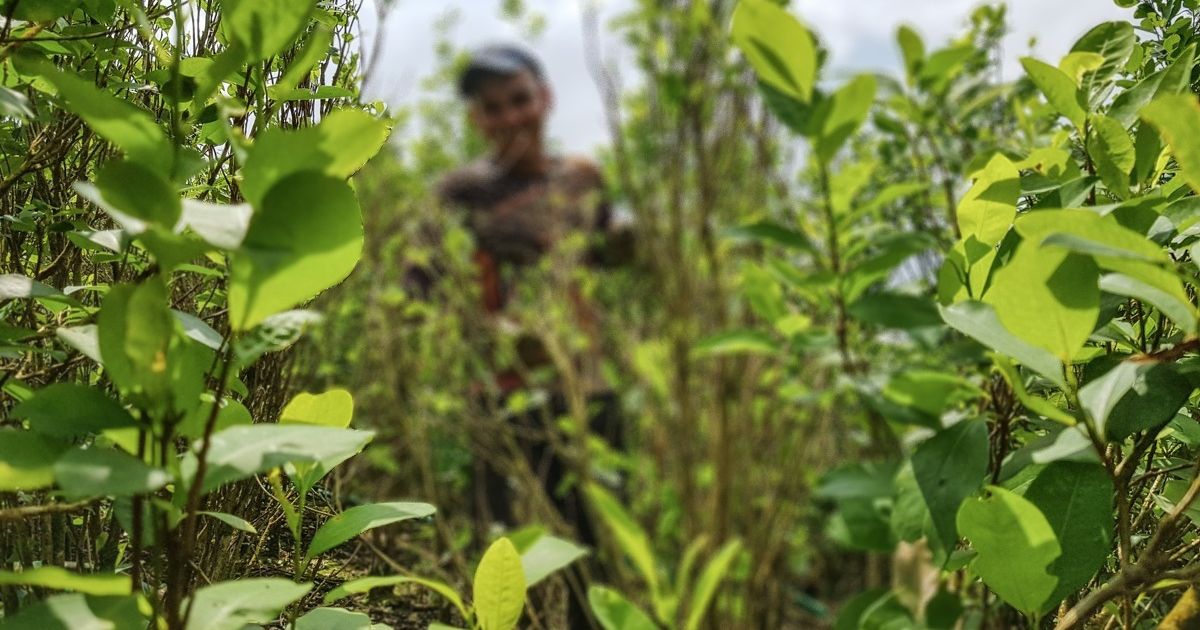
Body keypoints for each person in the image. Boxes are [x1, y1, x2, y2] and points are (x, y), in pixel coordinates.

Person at [434, 44, 630, 626]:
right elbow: (425, 285)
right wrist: (491, 331)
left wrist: (627, 238)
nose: (511, 118)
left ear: (545, 98)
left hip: (586, 391)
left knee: (595, 545)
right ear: (477, 119)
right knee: (506, 549)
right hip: (501, 397)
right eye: (493, 108)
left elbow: (605, 251)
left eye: (520, 100)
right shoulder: (461, 193)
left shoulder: (581, 179)